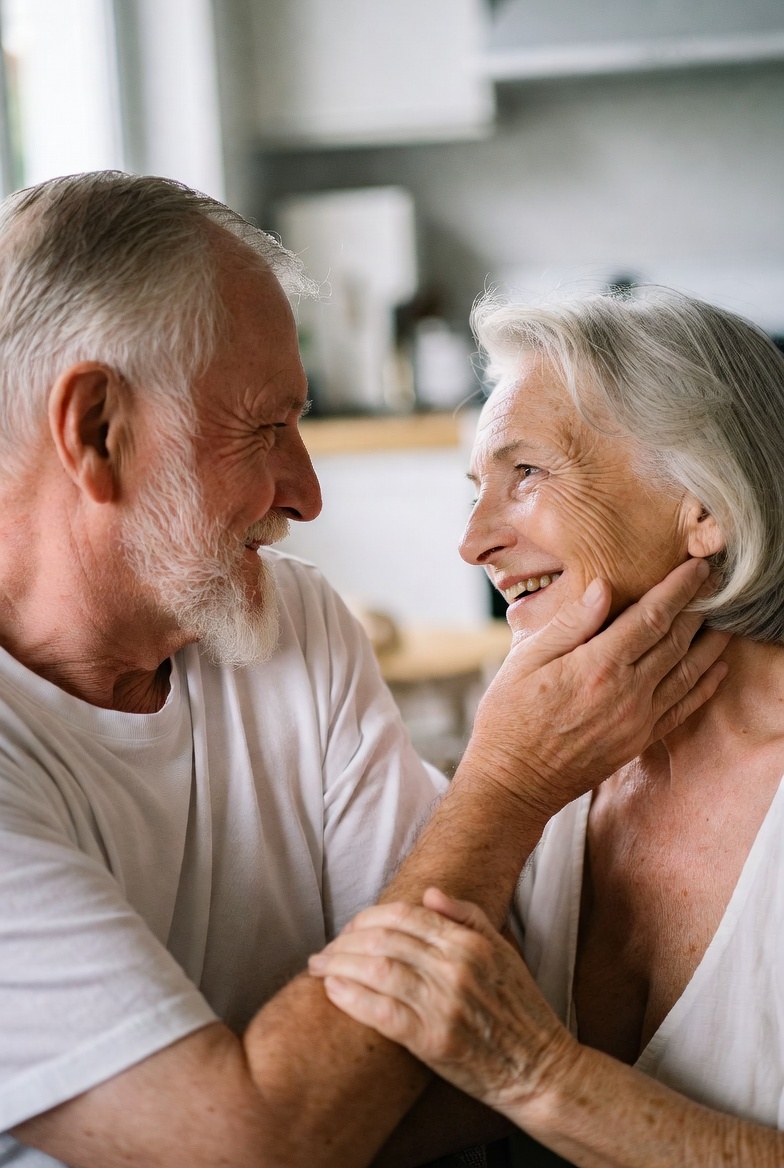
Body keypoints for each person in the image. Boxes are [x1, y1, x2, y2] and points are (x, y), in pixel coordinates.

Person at [0, 173, 725, 1168]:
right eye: (264, 427)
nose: (306, 493)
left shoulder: (286, 620)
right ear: (95, 430)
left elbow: (477, 1015)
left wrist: (336, 1089)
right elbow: (249, 1151)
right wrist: (505, 784)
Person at [310, 287, 784, 1164]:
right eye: (476, 489)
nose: (474, 543)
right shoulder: (562, 765)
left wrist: (536, 1072)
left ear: (706, 506)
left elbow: (509, 1065)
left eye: (526, 473)